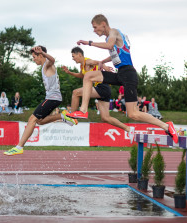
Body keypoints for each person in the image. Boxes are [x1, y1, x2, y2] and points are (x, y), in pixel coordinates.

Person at [67, 14, 178, 143]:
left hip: (129, 75)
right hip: (120, 74)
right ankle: (83, 110)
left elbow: (109, 46)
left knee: (133, 114)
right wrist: (102, 61)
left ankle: (166, 125)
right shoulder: (113, 38)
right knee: (88, 76)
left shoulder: (114, 32)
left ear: (103, 24)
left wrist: (89, 43)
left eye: (95, 27)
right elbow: (116, 53)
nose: (94, 30)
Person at [4, 46, 78, 156]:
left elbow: (52, 60)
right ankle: (62, 116)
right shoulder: (44, 66)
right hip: (53, 98)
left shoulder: (47, 64)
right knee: (40, 121)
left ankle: (19, 147)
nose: (33, 59)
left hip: (53, 98)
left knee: (32, 119)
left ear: (40, 55)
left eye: (34, 57)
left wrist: (43, 52)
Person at [62, 47, 134, 142]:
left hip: (102, 87)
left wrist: (105, 67)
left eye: (73, 56)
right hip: (104, 90)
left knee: (76, 92)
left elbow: (98, 62)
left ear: (79, 54)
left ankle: (72, 116)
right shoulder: (82, 66)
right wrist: (69, 72)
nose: (73, 58)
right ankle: (129, 129)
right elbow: (81, 75)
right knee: (105, 118)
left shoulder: (87, 61)